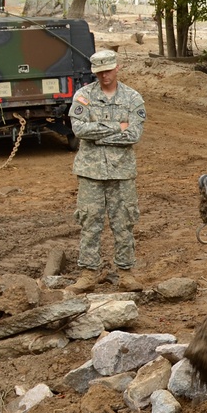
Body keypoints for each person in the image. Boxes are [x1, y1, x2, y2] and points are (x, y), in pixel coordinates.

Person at [66, 49, 147, 294]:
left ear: (117, 68)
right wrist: (115, 128)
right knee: (90, 222)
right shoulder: (83, 96)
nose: (104, 76)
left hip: (121, 172)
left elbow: (134, 134)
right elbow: (79, 131)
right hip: (91, 172)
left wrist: (97, 135)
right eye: (99, 72)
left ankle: (126, 273)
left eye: (108, 71)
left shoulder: (133, 98)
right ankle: (87, 274)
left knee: (124, 221)